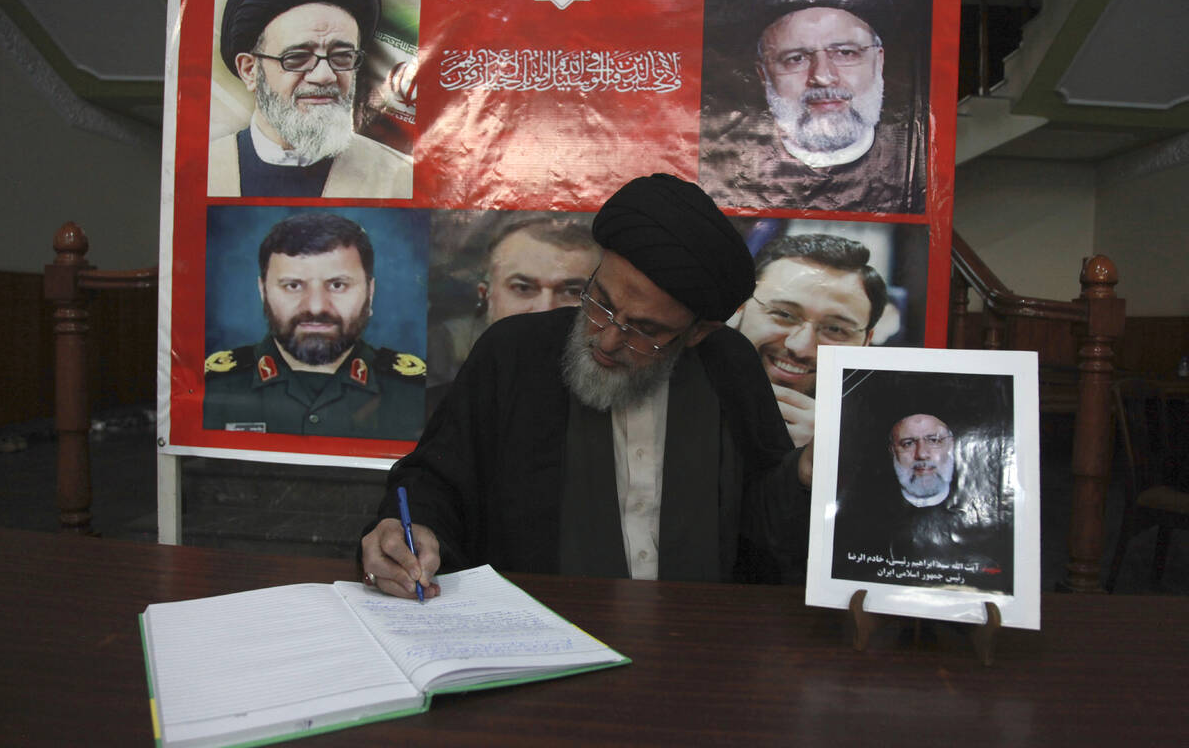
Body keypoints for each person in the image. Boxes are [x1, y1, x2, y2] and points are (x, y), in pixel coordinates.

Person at [361, 174, 811, 599]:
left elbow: (762, 521)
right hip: (539, 629)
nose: (608, 338)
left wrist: (804, 474)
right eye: (602, 302)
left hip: (692, 636)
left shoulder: (727, 364)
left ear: (697, 333)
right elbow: (435, 483)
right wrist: (410, 529)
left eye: (646, 329)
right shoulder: (513, 352)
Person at [203, 212, 425, 438]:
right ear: (263, 291)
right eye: (293, 286)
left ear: (371, 292)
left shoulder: (417, 394)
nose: (317, 307)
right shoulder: (211, 389)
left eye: (338, 285)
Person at [208, 0, 411, 199]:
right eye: (296, 58)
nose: (325, 76)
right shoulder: (201, 173)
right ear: (250, 70)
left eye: (342, 57)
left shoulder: (400, 177)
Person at [700, 0, 925, 214]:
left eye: (845, 53)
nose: (823, 76)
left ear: (878, 62)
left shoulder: (917, 168)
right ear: (763, 74)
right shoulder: (721, 168)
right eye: (796, 58)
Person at [730, 233, 886, 447]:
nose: (800, 347)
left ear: (867, 341)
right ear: (741, 305)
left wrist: (831, 458)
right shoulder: (677, 393)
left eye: (834, 329)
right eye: (784, 314)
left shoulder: (879, 437)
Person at [832, 412, 1013, 592]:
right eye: (908, 443)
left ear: (951, 445)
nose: (922, 454)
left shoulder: (992, 520)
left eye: (933, 440)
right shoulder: (858, 522)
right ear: (893, 451)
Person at [427, 217, 601, 388]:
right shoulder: (438, 391)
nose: (545, 309)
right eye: (523, 288)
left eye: (572, 291)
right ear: (486, 295)